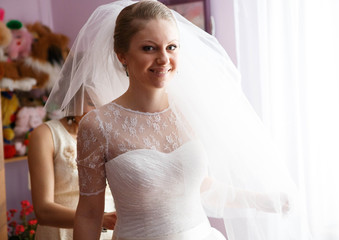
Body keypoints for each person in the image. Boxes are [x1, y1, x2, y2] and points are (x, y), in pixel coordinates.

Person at [45, 1, 310, 239]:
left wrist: (265, 200)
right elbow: (90, 213)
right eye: (149, 48)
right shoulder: (98, 125)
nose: (163, 59)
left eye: (171, 47)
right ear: (122, 55)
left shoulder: (191, 110)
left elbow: (200, 187)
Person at [27, 91, 117, 240]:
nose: (98, 110)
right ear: (73, 98)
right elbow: (43, 211)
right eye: (90, 102)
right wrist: (101, 219)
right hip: (61, 234)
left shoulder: (114, 137)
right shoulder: (46, 135)